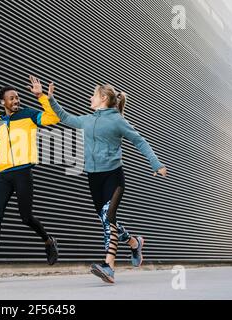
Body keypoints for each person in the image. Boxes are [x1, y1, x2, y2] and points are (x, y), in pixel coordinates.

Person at [48, 81, 167, 284]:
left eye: (93, 95)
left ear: (103, 98)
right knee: (106, 220)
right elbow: (65, 117)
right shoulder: (86, 120)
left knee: (108, 216)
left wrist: (155, 163)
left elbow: (139, 140)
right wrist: (50, 99)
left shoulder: (117, 121)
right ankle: (135, 242)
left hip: (114, 176)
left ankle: (109, 267)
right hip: (94, 177)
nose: (90, 98)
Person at [0, 76, 61, 283]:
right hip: (4, 175)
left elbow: (54, 118)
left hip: (23, 172)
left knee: (25, 217)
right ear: (3, 102)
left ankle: (47, 240)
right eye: (11, 98)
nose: (16, 100)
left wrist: (42, 96)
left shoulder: (29, 115)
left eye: (17, 97)